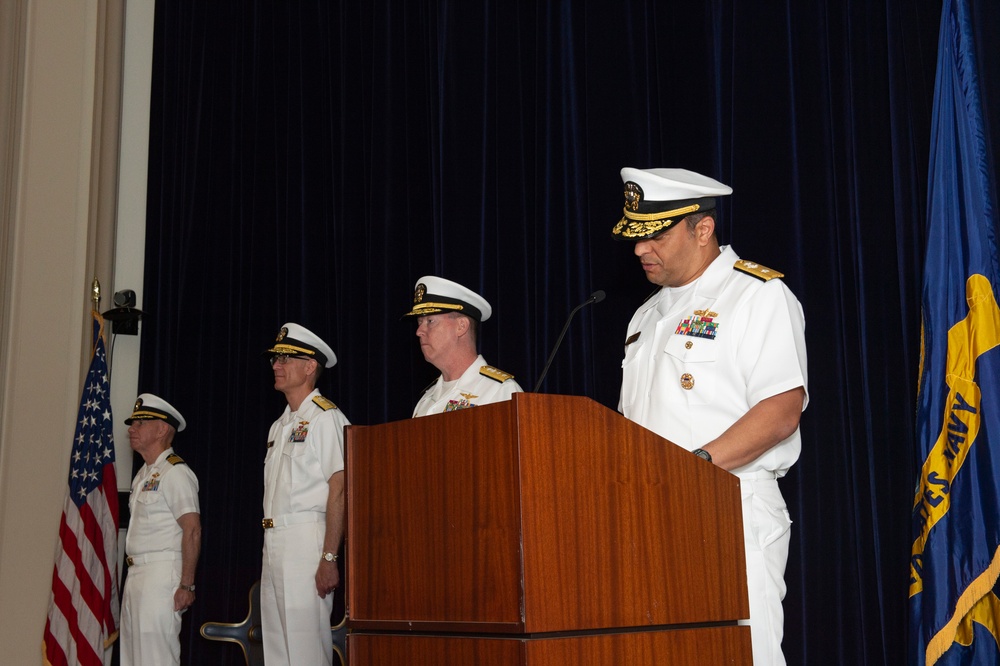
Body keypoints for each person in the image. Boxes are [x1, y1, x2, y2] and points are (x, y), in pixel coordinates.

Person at [613, 167, 808, 666]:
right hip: (648, 518)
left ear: (702, 230)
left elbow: (781, 410)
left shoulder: (757, 295)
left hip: (730, 506)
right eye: (636, 237)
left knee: (743, 655)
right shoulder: (645, 316)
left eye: (655, 235)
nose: (640, 250)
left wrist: (690, 468)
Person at [260, 322, 350, 666]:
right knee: (278, 651)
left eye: (285, 358)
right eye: (275, 359)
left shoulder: (326, 418)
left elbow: (339, 488)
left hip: (306, 541)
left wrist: (329, 558)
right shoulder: (279, 425)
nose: (276, 365)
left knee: (305, 650)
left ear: (310, 366)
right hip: (274, 539)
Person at [120, 393, 201, 666]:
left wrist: (186, 584)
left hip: (160, 575)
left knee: (156, 658)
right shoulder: (143, 475)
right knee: (133, 659)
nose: (132, 428)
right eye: (133, 423)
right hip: (136, 574)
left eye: (141, 422)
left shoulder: (175, 472)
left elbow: (191, 529)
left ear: (162, 429)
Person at [403, 275, 523, 416]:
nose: (419, 331)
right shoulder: (425, 401)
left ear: (461, 326)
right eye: (419, 322)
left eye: (430, 321)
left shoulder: (500, 392)